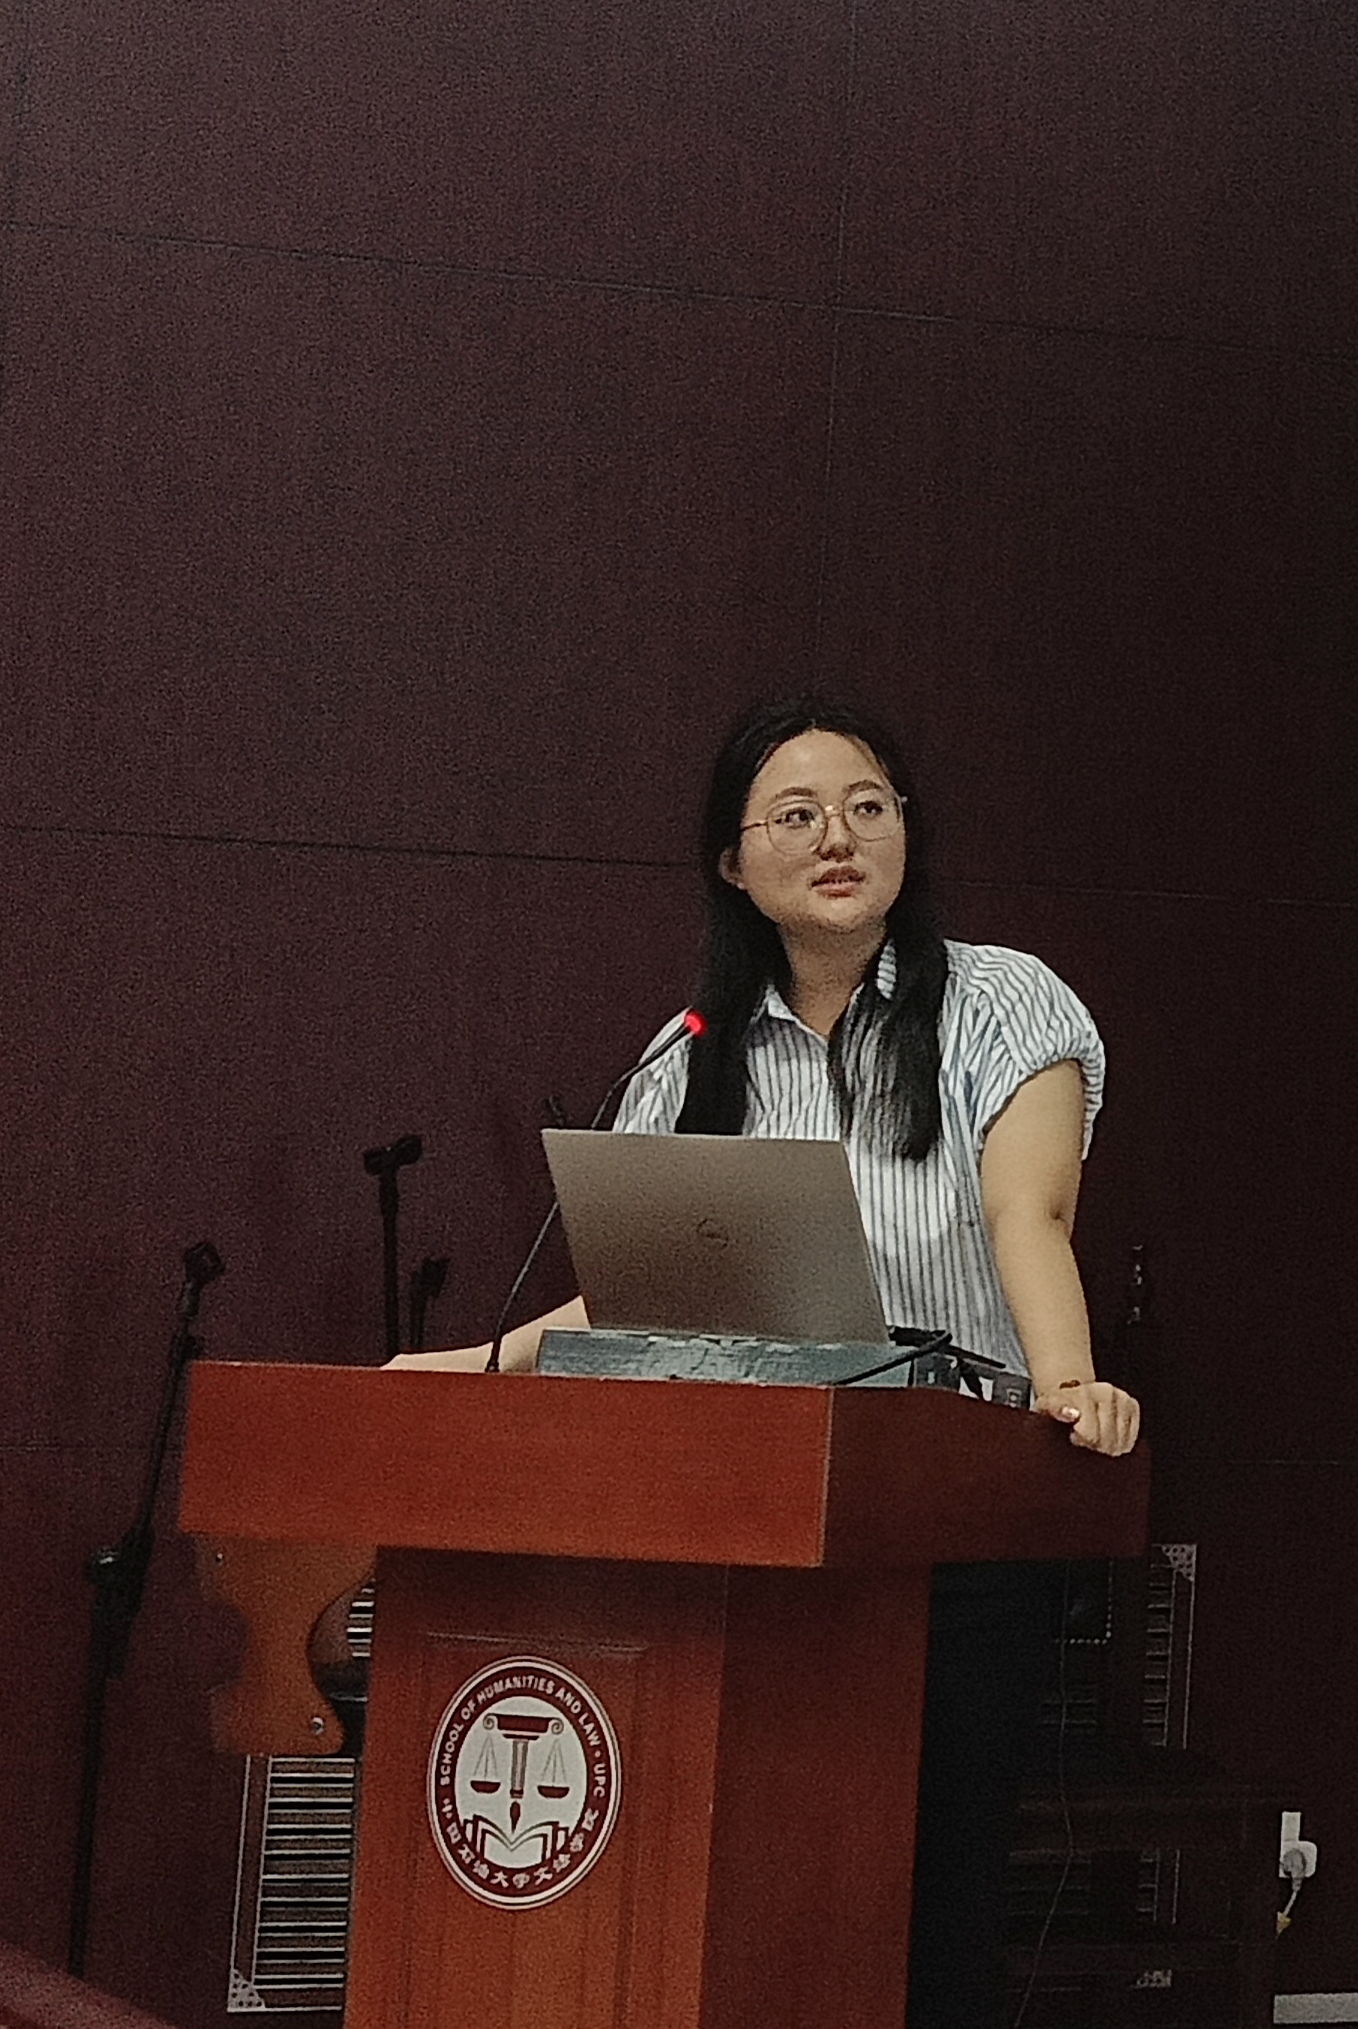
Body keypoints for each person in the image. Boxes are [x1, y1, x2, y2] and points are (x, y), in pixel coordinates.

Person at [394, 693, 1138, 2025]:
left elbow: (1027, 1214)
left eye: (866, 807)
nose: (837, 838)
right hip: (746, 1526)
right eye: (796, 816)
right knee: (751, 1879)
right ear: (733, 864)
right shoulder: (692, 1053)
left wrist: (1067, 1386)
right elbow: (639, 1293)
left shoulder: (1002, 1002)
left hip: (945, 1517)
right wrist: (470, 1365)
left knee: (926, 1888)